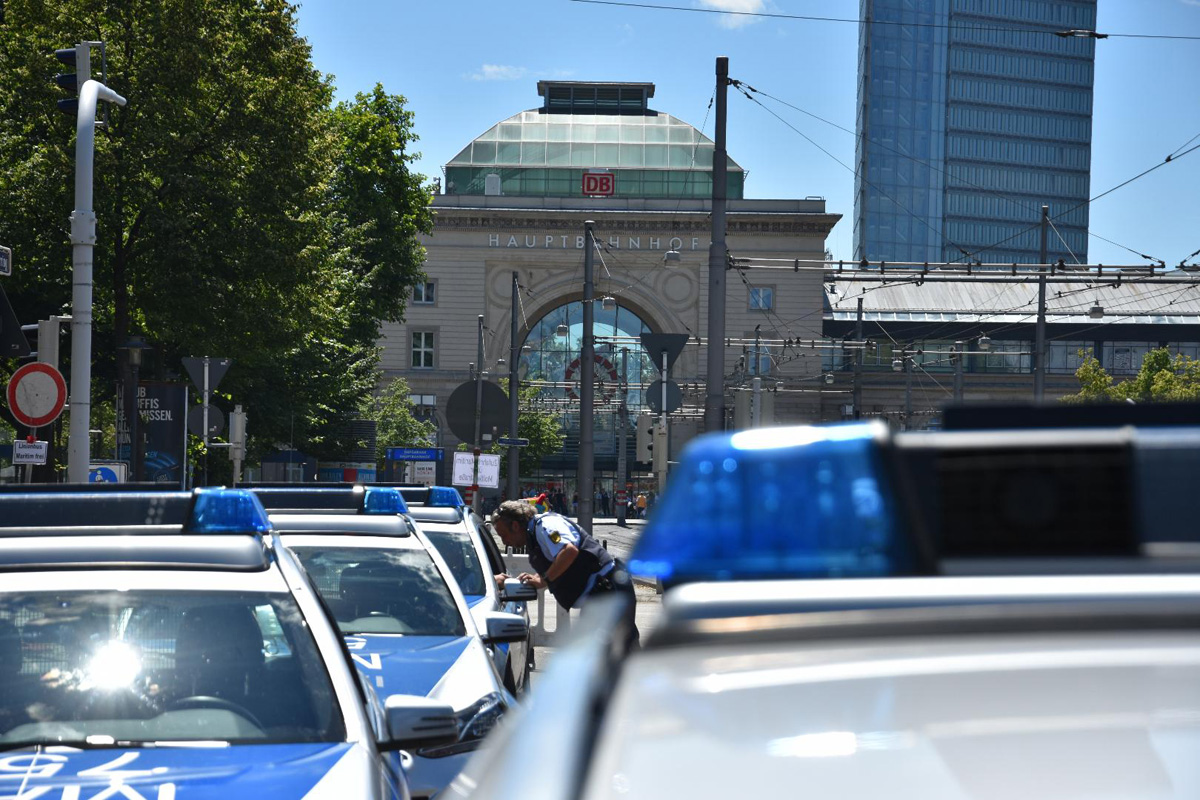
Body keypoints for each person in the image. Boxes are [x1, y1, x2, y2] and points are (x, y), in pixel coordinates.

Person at [491, 499, 638, 650]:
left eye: (503, 535)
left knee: (619, 656)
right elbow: (559, 562)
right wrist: (539, 579)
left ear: (515, 526)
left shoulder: (547, 526)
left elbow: (569, 551)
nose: (505, 542)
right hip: (600, 596)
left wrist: (545, 579)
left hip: (608, 592)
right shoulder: (535, 533)